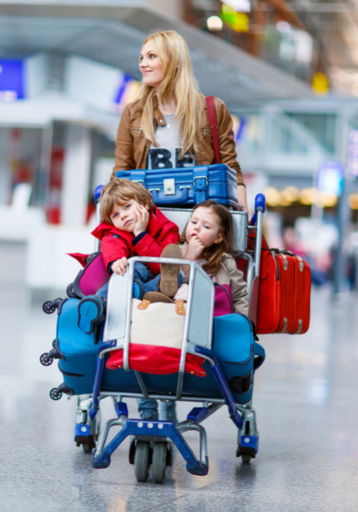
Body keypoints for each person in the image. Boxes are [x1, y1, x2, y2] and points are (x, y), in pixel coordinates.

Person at [111, 30, 248, 212]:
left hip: (200, 223)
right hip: (149, 223)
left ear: (174, 61)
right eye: (141, 58)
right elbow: (120, 174)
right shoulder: (133, 112)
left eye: (152, 56)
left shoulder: (212, 109)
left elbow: (231, 169)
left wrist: (243, 216)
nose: (143, 64)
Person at [139, 200, 249, 423]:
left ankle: (166, 407)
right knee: (149, 341)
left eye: (206, 227)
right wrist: (188, 257)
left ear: (219, 237)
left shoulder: (225, 263)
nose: (196, 228)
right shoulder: (173, 251)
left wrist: (242, 323)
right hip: (170, 321)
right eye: (194, 222)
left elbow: (239, 295)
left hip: (207, 325)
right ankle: (148, 408)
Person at [77, 178, 181, 335]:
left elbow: (162, 264)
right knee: (134, 267)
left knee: (177, 276)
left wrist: (141, 235)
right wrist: (115, 261)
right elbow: (112, 246)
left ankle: (139, 290)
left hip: (156, 282)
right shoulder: (116, 233)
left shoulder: (168, 229)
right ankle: (100, 303)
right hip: (127, 278)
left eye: (127, 207)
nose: (123, 216)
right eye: (116, 215)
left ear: (145, 204)